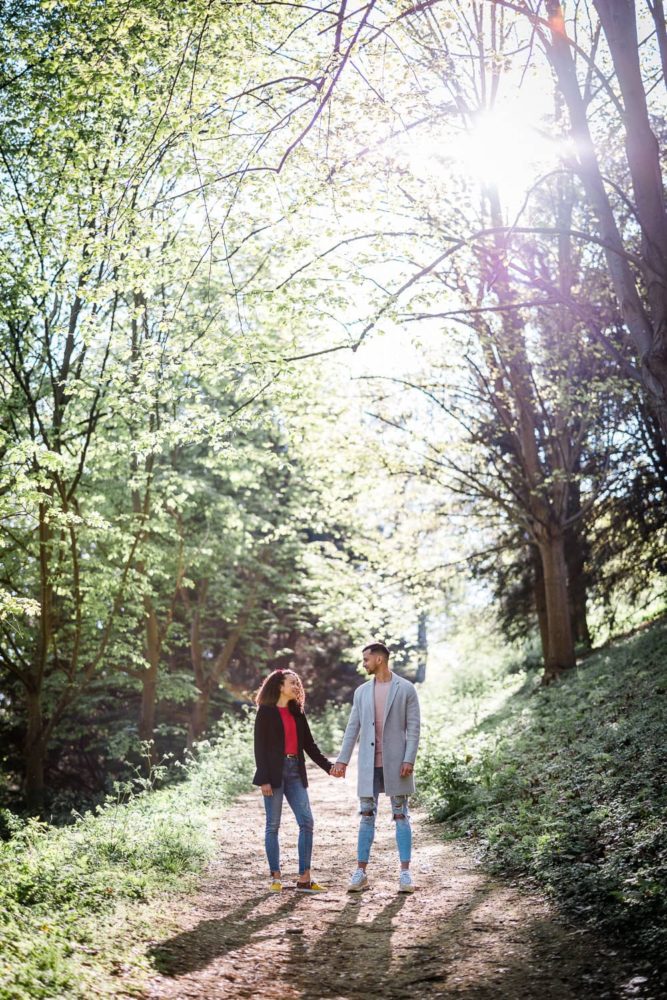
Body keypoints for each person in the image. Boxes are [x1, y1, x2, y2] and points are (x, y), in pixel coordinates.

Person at [331, 642, 421, 894]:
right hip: (369, 764)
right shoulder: (361, 692)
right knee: (366, 816)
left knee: (401, 814)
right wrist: (342, 760)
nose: (364, 664)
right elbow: (353, 728)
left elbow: (414, 728)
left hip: (397, 764)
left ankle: (405, 874)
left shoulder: (406, 689)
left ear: (380, 659)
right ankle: (361, 873)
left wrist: (409, 759)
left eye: (366, 660)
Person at [253, 667, 336, 893]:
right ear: (280, 686)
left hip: (294, 771)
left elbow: (309, 745)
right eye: (293, 682)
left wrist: (329, 767)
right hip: (273, 773)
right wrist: (264, 779)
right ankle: (276, 878)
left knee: (307, 821)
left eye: (297, 683)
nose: (297, 686)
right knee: (273, 825)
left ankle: (304, 878)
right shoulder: (266, 712)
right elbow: (259, 748)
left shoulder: (297, 712)